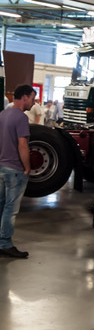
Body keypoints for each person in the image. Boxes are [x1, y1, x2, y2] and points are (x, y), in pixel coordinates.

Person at [0, 84, 35, 258]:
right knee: (10, 209)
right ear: (24, 97)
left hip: (1, 167)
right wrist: (27, 168)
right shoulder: (21, 118)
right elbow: (23, 145)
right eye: (32, 98)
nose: (34, 103)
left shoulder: (3, 114)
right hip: (14, 169)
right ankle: (5, 243)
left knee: (1, 205)